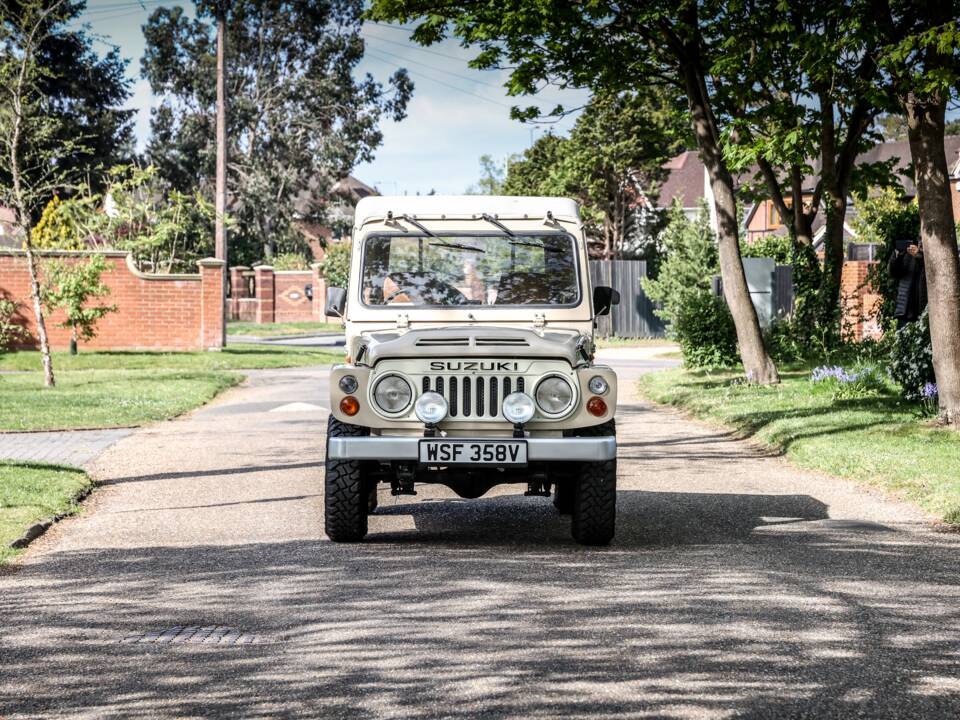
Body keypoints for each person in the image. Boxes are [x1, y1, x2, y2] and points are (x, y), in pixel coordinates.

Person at [888, 237, 927, 328]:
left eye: (923, 239)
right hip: (904, 312)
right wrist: (898, 256)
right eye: (919, 239)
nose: (921, 242)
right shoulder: (907, 254)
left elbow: (930, 272)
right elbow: (893, 273)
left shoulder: (930, 257)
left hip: (922, 312)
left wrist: (919, 256)